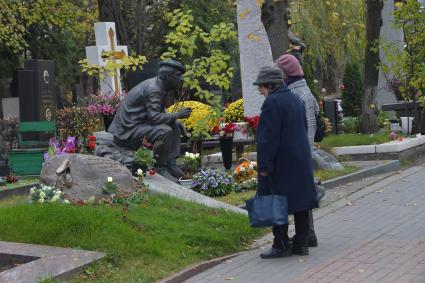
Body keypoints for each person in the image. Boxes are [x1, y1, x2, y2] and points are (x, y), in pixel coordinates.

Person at [254, 66, 318, 258]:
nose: (260, 91)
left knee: (277, 201)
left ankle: (280, 243)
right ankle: (301, 244)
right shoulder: (295, 99)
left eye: (261, 87)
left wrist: (265, 165)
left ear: (269, 85)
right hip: (300, 159)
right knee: (300, 201)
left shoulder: (272, 102)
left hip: (281, 162)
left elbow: (268, 138)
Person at [108, 60, 192, 182]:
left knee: (174, 125)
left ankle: (171, 165)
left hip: (137, 126)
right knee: (164, 131)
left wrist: (175, 120)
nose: (181, 80)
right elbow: (155, 118)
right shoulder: (154, 89)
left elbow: (159, 111)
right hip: (127, 133)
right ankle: (159, 168)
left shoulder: (159, 86)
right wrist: (177, 115)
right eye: (178, 76)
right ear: (168, 77)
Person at [276, 54, 321, 248]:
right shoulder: (294, 91)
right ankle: (307, 233)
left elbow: (309, 128)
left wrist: (306, 153)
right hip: (297, 153)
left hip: (301, 153)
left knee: (304, 193)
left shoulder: (302, 94)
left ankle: (308, 234)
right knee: (301, 193)